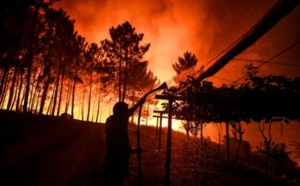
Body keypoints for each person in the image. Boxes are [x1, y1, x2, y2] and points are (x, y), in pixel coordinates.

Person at [102, 97, 145, 186]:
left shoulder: (115, 118)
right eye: (125, 112)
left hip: (116, 160)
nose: (127, 114)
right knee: (116, 181)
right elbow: (123, 149)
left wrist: (139, 103)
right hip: (114, 162)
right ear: (119, 113)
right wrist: (136, 150)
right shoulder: (114, 126)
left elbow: (130, 111)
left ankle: (125, 176)